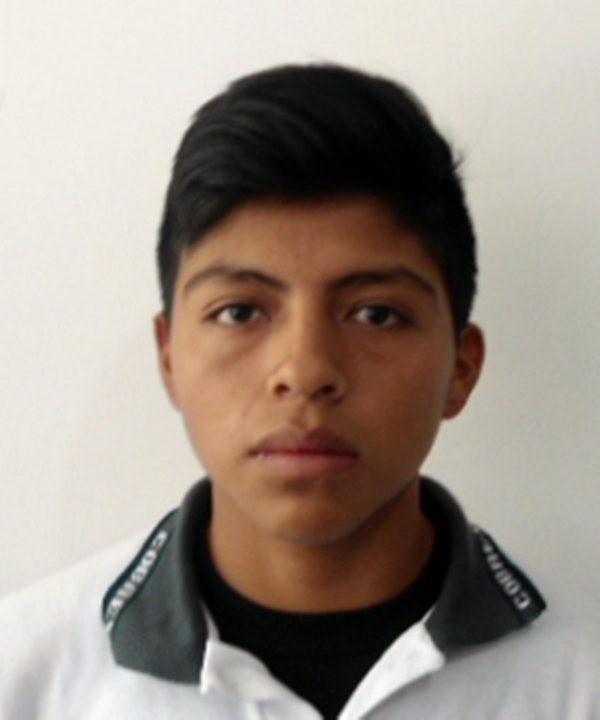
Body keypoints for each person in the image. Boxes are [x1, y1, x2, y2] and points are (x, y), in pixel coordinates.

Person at [1, 64, 597, 720]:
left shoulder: (580, 677)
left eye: (375, 314)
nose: (306, 370)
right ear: (169, 358)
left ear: (461, 366)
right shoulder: (26, 676)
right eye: (239, 311)